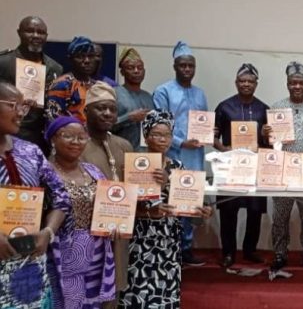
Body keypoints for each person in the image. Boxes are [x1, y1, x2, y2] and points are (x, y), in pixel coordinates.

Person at [115, 110, 213, 309]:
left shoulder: (178, 168)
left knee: (166, 296)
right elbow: (120, 203)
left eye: (167, 134)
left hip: (168, 241)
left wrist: (200, 211)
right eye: (156, 133)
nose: (162, 138)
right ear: (146, 135)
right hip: (141, 240)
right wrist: (148, 211)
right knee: (139, 295)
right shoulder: (134, 163)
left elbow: (185, 205)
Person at [0, 82, 69, 309]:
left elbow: (61, 199)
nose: (22, 112)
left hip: (29, 270)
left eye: (25, 106)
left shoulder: (31, 151)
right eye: (15, 105)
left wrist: (48, 231)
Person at [45, 116, 115, 309]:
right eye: (67, 136)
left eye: (80, 136)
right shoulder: (44, 172)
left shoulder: (94, 171)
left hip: (98, 250)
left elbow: (113, 207)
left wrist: (117, 221)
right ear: (52, 139)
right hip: (64, 253)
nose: (75, 142)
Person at [80, 81, 134, 309]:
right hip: (85, 236)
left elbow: (136, 188)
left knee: (111, 295)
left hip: (117, 236)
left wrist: (156, 177)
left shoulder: (123, 146)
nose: (107, 114)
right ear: (87, 111)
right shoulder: (75, 141)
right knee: (84, 297)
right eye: (101, 108)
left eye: (112, 109)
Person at [262, 62, 303, 272]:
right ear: (287, 84)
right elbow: (270, 144)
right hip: (282, 173)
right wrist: (265, 134)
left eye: (301, 83)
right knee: (279, 216)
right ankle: (279, 254)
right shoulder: (276, 107)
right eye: (293, 83)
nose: (297, 86)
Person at [153, 41, 209, 267]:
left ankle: (186, 249)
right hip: (172, 155)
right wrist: (181, 142)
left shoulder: (200, 93)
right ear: (175, 66)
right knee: (171, 202)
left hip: (195, 157)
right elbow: (159, 125)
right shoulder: (163, 91)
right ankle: (170, 250)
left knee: (190, 201)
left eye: (191, 66)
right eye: (183, 65)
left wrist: (208, 132)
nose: (187, 69)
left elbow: (203, 122)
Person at [214, 63, 269, 267]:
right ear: (236, 83)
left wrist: (266, 137)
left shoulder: (264, 109)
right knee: (229, 210)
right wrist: (224, 150)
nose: (246, 84)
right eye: (242, 81)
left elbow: (271, 143)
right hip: (230, 168)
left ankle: (249, 250)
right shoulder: (224, 107)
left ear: (256, 84)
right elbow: (213, 137)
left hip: (255, 168)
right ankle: (228, 252)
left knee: (254, 212)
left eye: (250, 81)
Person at [0, 16, 63, 150]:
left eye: (40, 32)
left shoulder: (55, 67)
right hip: (6, 134)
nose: (35, 36)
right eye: (30, 31)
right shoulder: (3, 62)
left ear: (46, 36)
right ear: (19, 33)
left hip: (40, 138)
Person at [46, 36, 108, 125]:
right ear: (71, 59)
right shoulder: (62, 84)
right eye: (80, 56)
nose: (87, 61)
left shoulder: (97, 86)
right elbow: (53, 121)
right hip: (70, 136)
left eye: (90, 56)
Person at [112, 47, 153, 150]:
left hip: (145, 154)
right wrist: (128, 118)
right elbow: (105, 126)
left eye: (140, 68)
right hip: (120, 151)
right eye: (131, 68)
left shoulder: (148, 97)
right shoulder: (114, 93)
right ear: (122, 72)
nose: (136, 71)